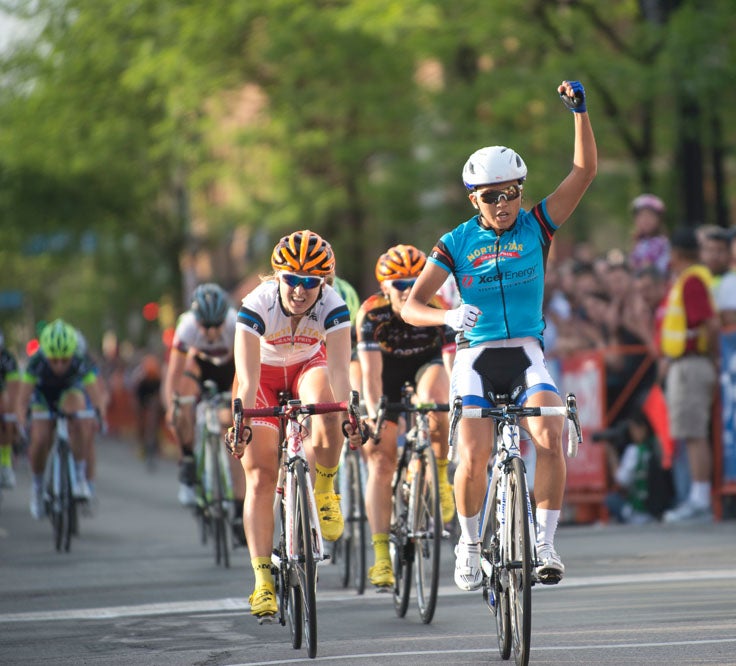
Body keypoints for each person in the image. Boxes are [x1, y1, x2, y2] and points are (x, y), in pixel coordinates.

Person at [401, 80, 596, 591]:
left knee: (551, 430)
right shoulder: (456, 242)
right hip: (477, 354)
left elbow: (584, 173)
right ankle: (467, 545)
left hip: (527, 351)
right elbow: (411, 304)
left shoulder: (538, 226)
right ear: (474, 198)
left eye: (511, 193)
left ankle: (545, 543)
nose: (504, 204)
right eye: (492, 197)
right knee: (474, 452)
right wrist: (446, 319)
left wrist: (579, 113)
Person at [228, 229, 363, 619]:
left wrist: (350, 411)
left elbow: (340, 371)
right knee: (261, 474)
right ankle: (262, 581)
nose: (300, 291)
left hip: (307, 367)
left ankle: (324, 489)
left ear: (325, 283)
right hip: (263, 377)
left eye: (311, 283)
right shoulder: (256, 304)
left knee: (329, 402)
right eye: (291, 279)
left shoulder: (334, 306)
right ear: (277, 277)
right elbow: (248, 379)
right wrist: (242, 421)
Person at [356, 244, 455, 589]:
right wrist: (373, 412)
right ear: (385, 287)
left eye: (415, 283)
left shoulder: (437, 307)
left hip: (425, 366)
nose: (408, 291)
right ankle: (382, 556)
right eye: (400, 285)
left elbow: (450, 361)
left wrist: (456, 404)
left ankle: (440, 477)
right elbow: (368, 375)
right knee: (381, 461)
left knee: (437, 402)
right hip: (386, 374)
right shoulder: (372, 314)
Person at [162, 283, 241, 509]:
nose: (212, 332)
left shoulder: (235, 324)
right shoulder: (186, 327)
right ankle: (187, 458)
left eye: (217, 325)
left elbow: (245, 369)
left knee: (231, 421)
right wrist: (172, 408)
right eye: (206, 326)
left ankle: (236, 495)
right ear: (196, 320)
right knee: (180, 402)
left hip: (230, 369)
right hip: (200, 366)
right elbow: (173, 375)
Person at [659, 227, 719, 523]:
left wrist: (712, 358)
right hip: (687, 362)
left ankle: (700, 500)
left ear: (677, 254)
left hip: (692, 364)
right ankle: (696, 497)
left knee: (695, 434)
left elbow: (707, 322)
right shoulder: (689, 278)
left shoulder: (692, 280)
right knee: (690, 433)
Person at [18, 320, 108, 518]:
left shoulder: (80, 360)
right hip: (42, 396)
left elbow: (96, 395)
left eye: (64, 360)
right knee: (40, 438)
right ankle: (38, 487)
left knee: (81, 415)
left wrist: (99, 415)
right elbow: (22, 400)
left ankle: (79, 474)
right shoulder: (36, 362)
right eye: (54, 360)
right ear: (46, 356)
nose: (59, 365)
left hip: (69, 393)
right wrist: (22, 420)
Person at [699, 225, 736, 327]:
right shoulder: (706, 278)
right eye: (709, 250)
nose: (714, 256)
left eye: (720, 251)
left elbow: (729, 323)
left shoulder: (732, 281)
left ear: (730, 254)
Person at [628, 193, 671, 277]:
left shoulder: (662, 243)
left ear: (659, 219)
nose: (645, 220)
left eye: (650, 215)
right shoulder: (638, 242)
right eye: (641, 216)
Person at [0, 332, 22, 489]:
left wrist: (13, 416)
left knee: (7, 407)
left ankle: (5, 462)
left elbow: (14, 392)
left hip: (2, 389)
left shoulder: (7, 359)